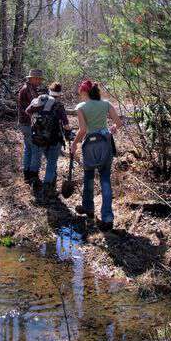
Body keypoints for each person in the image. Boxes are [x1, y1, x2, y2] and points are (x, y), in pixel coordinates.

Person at [71, 79, 123, 231]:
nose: (80, 94)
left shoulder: (81, 107)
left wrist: (74, 144)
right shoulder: (106, 104)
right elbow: (118, 122)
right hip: (105, 142)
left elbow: (82, 130)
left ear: (85, 92)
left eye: (81, 91)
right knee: (105, 179)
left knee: (88, 176)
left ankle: (88, 208)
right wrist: (112, 129)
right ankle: (107, 218)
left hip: (90, 145)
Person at [26, 82, 71, 199]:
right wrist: (68, 134)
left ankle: (34, 184)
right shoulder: (59, 105)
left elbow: (28, 111)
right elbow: (66, 124)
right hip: (54, 139)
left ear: (50, 91)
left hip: (39, 137)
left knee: (37, 159)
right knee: (51, 163)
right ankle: (47, 188)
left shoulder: (40, 100)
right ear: (60, 94)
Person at [18, 68, 44, 184]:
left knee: (28, 149)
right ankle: (33, 176)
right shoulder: (28, 90)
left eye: (40, 79)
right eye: (38, 79)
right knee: (36, 149)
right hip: (29, 124)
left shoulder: (30, 88)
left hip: (25, 123)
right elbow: (36, 107)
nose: (39, 81)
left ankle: (27, 174)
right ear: (32, 78)